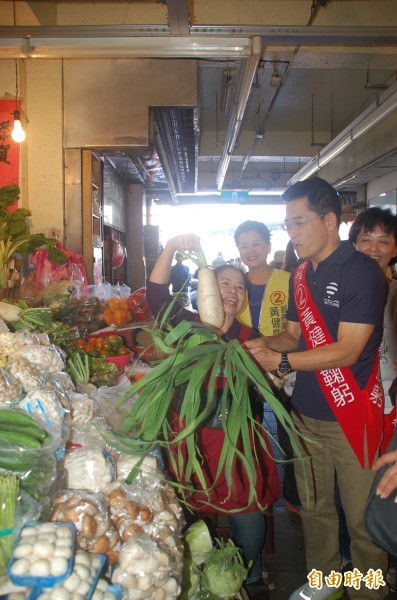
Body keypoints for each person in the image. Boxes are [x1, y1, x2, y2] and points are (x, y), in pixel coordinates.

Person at [244, 177, 389, 599]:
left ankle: (368, 592)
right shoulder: (300, 275)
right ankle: (325, 583)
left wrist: (281, 361)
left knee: (363, 519)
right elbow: (292, 335)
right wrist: (263, 344)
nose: (291, 233)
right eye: (287, 224)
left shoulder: (362, 271)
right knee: (315, 509)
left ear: (330, 220)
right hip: (307, 412)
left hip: (353, 414)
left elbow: (347, 350)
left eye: (299, 222)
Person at [146, 234, 280, 599]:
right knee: (191, 504)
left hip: (236, 437)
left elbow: (267, 382)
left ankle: (249, 577)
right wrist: (172, 245)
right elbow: (155, 293)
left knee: (245, 506)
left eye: (239, 287)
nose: (232, 291)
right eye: (224, 283)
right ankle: (197, 572)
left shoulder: (250, 336)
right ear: (206, 287)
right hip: (190, 434)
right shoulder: (185, 325)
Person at [234, 221, 300, 510]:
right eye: (244, 245)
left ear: (268, 246)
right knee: (248, 432)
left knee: (291, 433)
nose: (251, 251)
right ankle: (255, 493)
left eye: (256, 244)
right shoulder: (234, 283)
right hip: (245, 371)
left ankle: (296, 499)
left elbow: (299, 331)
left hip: (285, 368)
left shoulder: (289, 280)